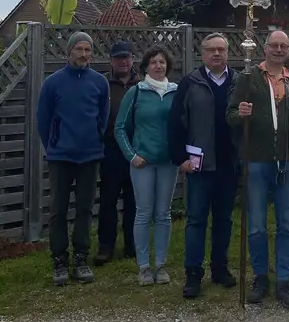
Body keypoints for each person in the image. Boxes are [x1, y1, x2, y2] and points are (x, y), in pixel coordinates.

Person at [230, 29, 289, 310]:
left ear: (288, 50)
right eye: (273, 45)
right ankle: (261, 277)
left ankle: (284, 281)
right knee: (256, 225)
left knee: (288, 225)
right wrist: (240, 114)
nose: (278, 50)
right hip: (257, 161)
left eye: (283, 46)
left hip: (287, 162)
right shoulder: (249, 78)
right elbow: (230, 116)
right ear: (264, 48)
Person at [36, 31, 109, 286]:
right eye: (79, 49)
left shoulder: (100, 82)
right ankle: (59, 259)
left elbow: (103, 116)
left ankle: (80, 258)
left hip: (90, 155)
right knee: (57, 210)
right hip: (61, 156)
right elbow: (43, 121)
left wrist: (95, 139)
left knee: (85, 209)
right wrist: (54, 145)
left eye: (87, 50)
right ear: (69, 52)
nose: (83, 55)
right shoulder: (53, 83)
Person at [171, 33, 239, 298]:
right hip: (199, 165)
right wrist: (181, 159)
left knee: (224, 219)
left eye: (221, 49)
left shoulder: (239, 81)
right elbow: (176, 123)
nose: (217, 54)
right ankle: (193, 273)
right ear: (202, 54)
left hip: (228, 163)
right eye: (211, 50)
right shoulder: (190, 82)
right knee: (197, 219)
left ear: (227, 52)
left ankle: (220, 267)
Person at [114, 46, 180, 287]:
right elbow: (119, 127)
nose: (158, 65)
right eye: (153, 62)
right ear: (145, 67)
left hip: (168, 163)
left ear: (167, 66)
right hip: (142, 162)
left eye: (162, 62)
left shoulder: (175, 92)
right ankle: (143, 266)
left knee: (163, 214)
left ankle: (160, 264)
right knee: (143, 213)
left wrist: (181, 154)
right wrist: (132, 156)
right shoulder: (136, 92)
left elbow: (183, 124)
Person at [96, 41, 139, 266]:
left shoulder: (142, 85)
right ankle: (106, 245)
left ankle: (132, 243)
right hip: (111, 148)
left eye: (127, 57)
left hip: (135, 149)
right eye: (119, 57)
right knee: (108, 200)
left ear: (133, 59)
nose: (123, 61)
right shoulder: (102, 84)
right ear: (111, 60)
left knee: (134, 200)